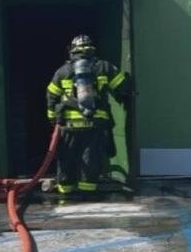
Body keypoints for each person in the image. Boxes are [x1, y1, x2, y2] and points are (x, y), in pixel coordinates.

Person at [46, 34, 131, 196]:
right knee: (90, 158)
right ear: (92, 48)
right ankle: (88, 192)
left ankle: (65, 191)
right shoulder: (104, 67)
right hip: (95, 123)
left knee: (66, 158)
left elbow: (51, 95)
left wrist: (52, 117)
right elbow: (123, 86)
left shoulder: (62, 71)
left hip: (68, 126)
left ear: (72, 50)